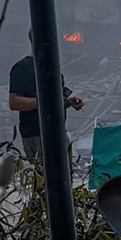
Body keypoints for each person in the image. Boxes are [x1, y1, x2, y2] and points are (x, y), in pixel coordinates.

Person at [7, 29, 82, 160]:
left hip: (57, 132)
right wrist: (45, 101)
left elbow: (55, 99)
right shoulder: (22, 67)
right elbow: (14, 102)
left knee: (65, 177)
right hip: (37, 134)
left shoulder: (52, 67)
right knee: (45, 177)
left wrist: (68, 101)